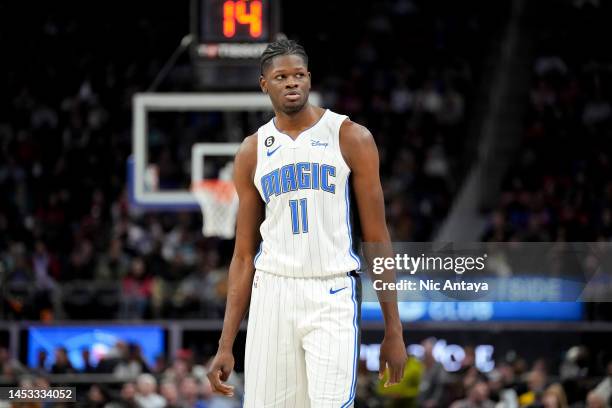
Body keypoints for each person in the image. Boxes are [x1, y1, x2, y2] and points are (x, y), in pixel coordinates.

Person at [207, 39, 407, 406]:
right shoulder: (252, 151)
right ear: (264, 84)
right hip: (272, 293)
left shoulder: (350, 136)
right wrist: (225, 343)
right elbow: (242, 256)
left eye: (298, 75)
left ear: (310, 79)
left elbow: (378, 237)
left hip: (331, 291)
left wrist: (394, 329)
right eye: (281, 76)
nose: (291, 83)